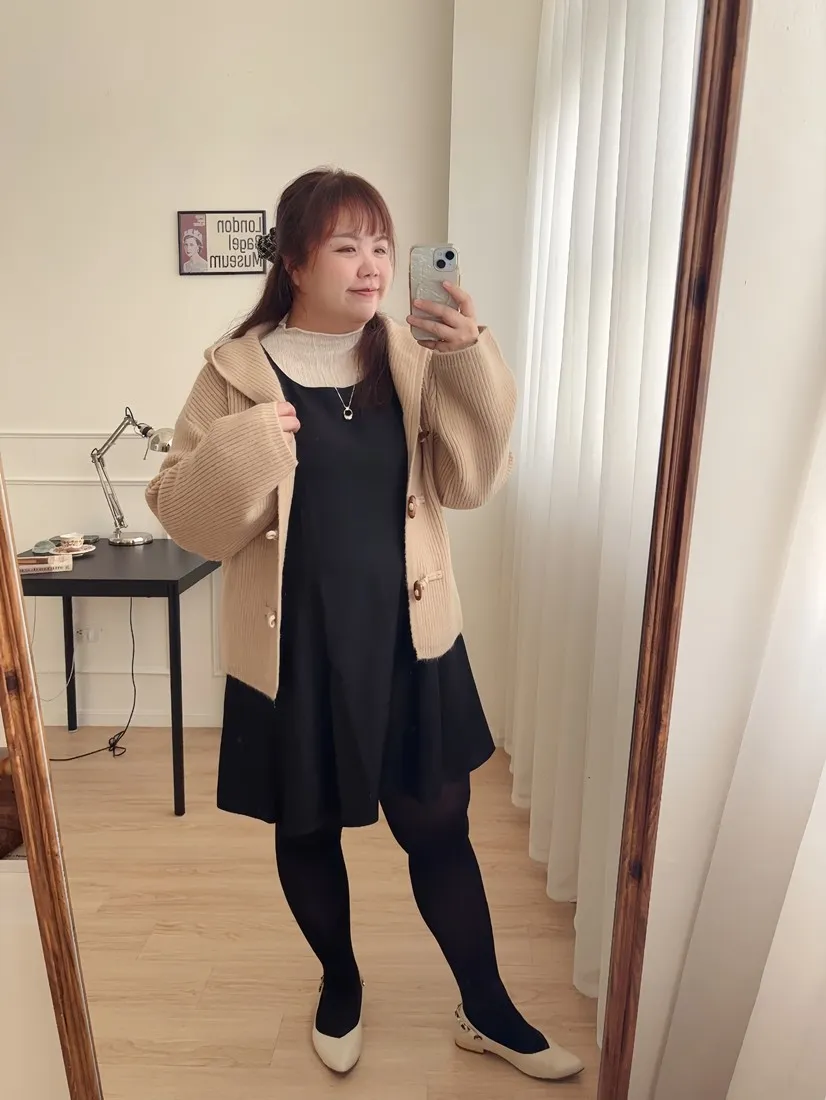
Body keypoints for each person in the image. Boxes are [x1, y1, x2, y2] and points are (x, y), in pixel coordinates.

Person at [146, 168, 583, 1083]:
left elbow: (470, 482)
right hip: (296, 648)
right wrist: (254, 442)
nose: (372, 264)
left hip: (408, 641)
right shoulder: (233, 370)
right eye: (347, 246)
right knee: (305, 828)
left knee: (440, 824)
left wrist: (470, 357)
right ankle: (339, 982)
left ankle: (487, 1007)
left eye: (381, 245)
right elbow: (186, 515)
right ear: (296, 261)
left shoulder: (414, 354)